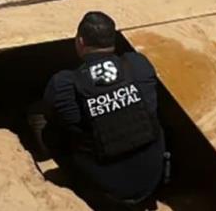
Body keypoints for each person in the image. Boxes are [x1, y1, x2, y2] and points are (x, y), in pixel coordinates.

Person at [39, 11, 165, 210]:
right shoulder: (138, 64)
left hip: (107, 192)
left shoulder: (64, 84)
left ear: (80, 41)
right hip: (152, 180)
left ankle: (80, 187)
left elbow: (52, 116)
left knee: (49, 131)